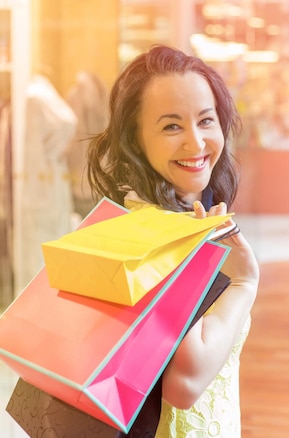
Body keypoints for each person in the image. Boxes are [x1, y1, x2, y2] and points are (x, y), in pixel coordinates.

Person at [87, 44, 260, 437]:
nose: (196, 144)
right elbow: (185, 382)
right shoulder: (152, 231)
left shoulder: (178, 219)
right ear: (135, 139)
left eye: (205, 120)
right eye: (171, 126)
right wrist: (245, 282)